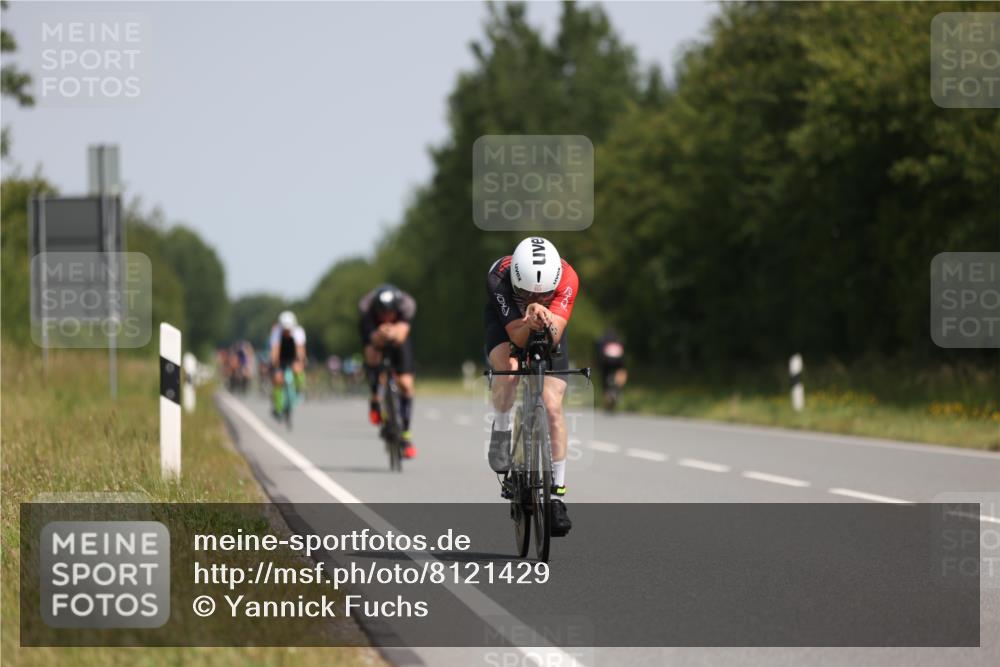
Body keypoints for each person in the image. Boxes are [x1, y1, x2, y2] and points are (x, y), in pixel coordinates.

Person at [484, 236, 578, 536]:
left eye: (544, 293)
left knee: (551, 407)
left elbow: (554, 335)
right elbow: (517, 338)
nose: (533, 297)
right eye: (524, 292)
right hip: (507, 321)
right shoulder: (499, 277)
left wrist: (547, 319)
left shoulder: (568, 278)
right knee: (508, 371)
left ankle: (555, 497)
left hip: (548, 322)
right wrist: (527, 317)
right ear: (515, 282)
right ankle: (501, 427)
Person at [359, 284, 417, 458]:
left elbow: (402, 334)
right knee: (372, 355)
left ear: (396, 309)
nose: (386, 317)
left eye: (389, 313)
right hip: (375, 336)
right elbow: (372, 339)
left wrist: (394, 332)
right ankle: (375, 397)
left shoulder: (406, 306)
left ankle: (405, 433)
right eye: (382, 314)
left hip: (398, 336)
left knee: (406, 384)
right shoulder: (366, 309)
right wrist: (380, 334)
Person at [269, 310, 306, 418]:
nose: (287, 332)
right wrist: (274, 363)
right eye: (285, 330)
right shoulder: (276, 332)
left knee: (298, 369)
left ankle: (299, 390)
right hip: (281, 358)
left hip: (293, 357)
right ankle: (278, 406)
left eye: (289, 330)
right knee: (277, 378)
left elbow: (301, 349)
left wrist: (301, 360)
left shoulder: (299, 332)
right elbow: (275, 349)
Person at [595, 327, 627, 411]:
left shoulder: (601, 340)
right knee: (622, 372)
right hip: (618, 361)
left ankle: (608, 398)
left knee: (604, 381)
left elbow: (598, 354)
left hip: (605, 361)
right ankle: (617, 388)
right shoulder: (619, 340)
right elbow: (624, 355)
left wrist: (597, 365)